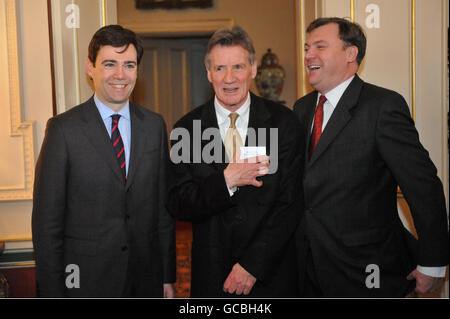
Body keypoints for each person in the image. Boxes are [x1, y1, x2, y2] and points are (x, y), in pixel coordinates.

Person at [293, 17, 449, 297]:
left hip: (367, 269)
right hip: (308, 268)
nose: (308, 56)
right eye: (306, 48)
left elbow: (423, 186)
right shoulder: (301, 109)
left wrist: (433, 263)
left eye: (319, 46)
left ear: (350, 53)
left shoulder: (382, 107)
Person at [32, 25, 176, 298]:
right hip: (85, 283)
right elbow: (46, 224)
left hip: (145, 281)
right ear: (90, 68)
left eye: (129, 65)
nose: (120, 75)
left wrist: (167, 276)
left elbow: (162, 211)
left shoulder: (154, 126)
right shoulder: (63, 130)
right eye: (110, 64)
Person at [167, 26, 304, 297]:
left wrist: (252, 266)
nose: (229, 78)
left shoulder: (284, 123)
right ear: (208, 73)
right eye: (219, 68)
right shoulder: (186, 128)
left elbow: (290, 204)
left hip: (270, 275)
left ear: (253, 69)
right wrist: (226, 181)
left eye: (238, 67)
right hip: (212, 275)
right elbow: (178, 202)